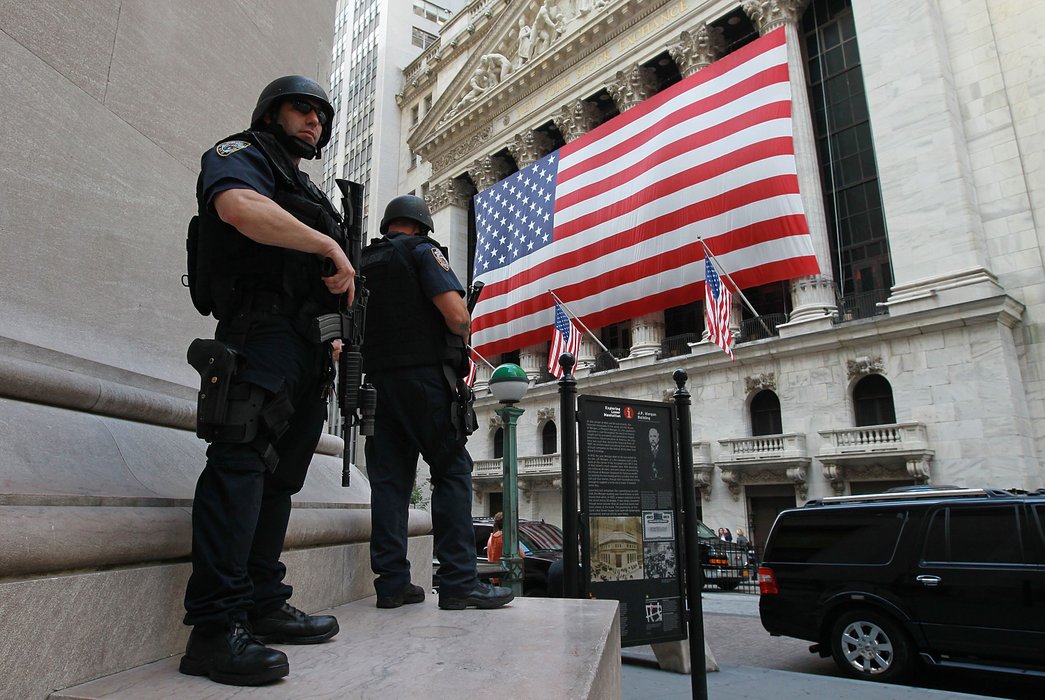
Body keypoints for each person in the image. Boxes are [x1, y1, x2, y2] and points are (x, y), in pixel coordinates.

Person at [180, 75, 354, 686]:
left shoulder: (309, 188)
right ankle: (214, 629)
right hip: (260, 332)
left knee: (280, 479)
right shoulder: (241, 154)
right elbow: (238, 208)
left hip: (308, 346)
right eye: (302, 109)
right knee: (240, 464)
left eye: (321, 116)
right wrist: (329, 245)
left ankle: (261, 601)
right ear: (270, 112)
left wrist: (336, 333)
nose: (313, 121)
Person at [361, 194, 514, 611]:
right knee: (452, 471)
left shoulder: (364, 261)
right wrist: (460, 330)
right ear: (420, 225)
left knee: (389, 482)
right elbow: (458, 317)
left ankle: (392, 583)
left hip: (377, 385)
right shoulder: (423, 251)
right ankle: (459, 582)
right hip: (424, 381)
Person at [486, 512, 525, 585]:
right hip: (505, 578)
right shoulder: (506, 538)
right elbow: (522, 555)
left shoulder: (491, 537)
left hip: (494, 577)